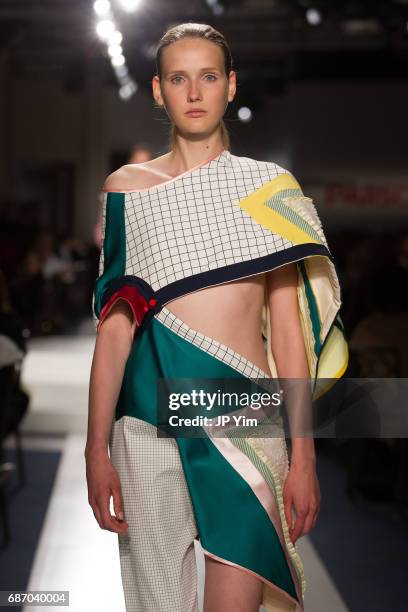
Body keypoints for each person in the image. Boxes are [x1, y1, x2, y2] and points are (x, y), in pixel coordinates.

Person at [85, 22, 348, 612]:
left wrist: (303, 458)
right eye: (179, 79)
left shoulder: (269, 189)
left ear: (231, 86)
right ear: (158, 90)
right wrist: (94, 450)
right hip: (147, 422)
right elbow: (116, 328)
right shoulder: (126, 190)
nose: (195, 92)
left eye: (208, 77)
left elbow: (288, 334)